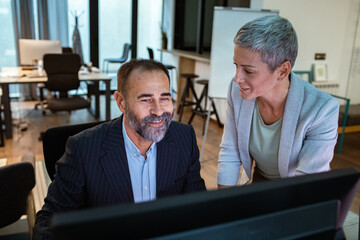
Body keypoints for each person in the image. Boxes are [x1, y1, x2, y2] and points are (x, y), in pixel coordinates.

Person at [33, 59, 206, 239]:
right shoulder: (83, 149)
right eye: (146, 99)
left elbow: (198, 207)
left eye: (165, 97)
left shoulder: (184, 138)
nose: (158, 110)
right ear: (121, 102)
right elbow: (49, 222)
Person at [217, 15, 339, 187]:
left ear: (282, 71)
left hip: (301, 192)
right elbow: (230, 152)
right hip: (260, 182)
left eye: (248, 71)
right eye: (236, 65)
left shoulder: (322, 109)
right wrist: (222, 208)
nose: (237, 78)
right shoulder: (236, 91)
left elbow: (307, 183)